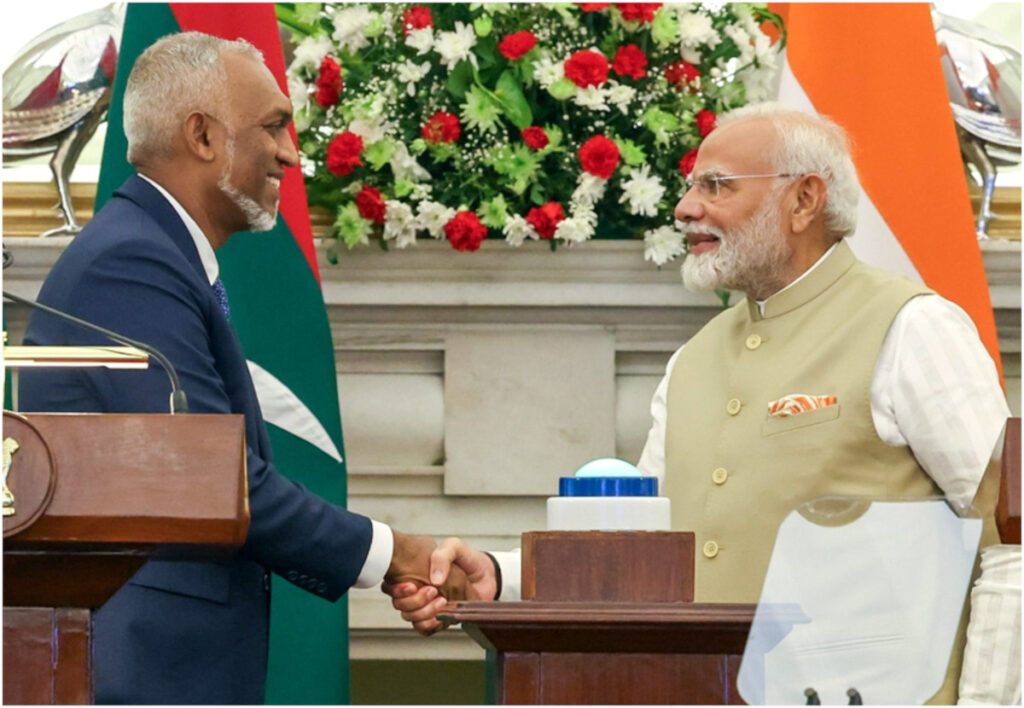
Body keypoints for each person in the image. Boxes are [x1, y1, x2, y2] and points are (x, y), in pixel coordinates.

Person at [385, 104, 1010, 703]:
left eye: (716, 185)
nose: (685, 208)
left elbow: (1014, 544)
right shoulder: (693, 359)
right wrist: (498, 575)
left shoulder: (913, 327)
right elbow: (639, 551)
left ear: (804, 200)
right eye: (691, 186)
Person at [18, 32, 470, 704]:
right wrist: (394, 554)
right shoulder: (130, 263)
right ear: (202, 136)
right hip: (139, 674)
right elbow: (209, 480)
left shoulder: (153, 251)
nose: (291, 153)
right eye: (274, 126)